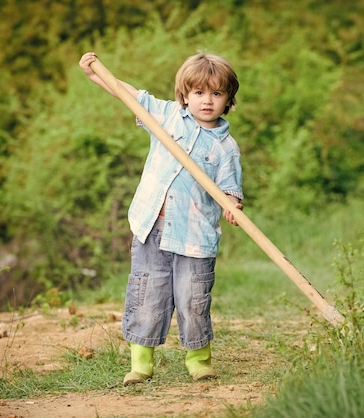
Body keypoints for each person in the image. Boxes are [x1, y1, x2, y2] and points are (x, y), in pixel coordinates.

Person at [79, 51, 244, 385]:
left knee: (192, 298)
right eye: (198, 93)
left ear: (228, 99)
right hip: (150, 226)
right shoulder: (167, 116)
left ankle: (198, 360)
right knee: (147, 295)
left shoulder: (227, 147)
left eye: (216, 93)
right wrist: (95, 74)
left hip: (194, 236)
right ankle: (140, 364)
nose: (207, 101)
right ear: (185, 95)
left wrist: (231, 205)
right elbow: (128, 94)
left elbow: (230, 189)